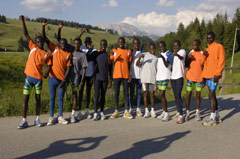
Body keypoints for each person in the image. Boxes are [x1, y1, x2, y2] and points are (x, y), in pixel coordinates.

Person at [17, 15, 52, 129]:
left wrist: (47, 72)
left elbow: (49, 65)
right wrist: (23, 21)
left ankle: (37, 119)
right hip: (29, 78)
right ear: (36, 43)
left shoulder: (46, 53)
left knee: (38, 100)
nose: (40, 43)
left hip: (38, 80)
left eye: (41, 41)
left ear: (43, 42)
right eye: (38, 41)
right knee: (25, 100)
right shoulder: (32, 47)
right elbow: (26, 34)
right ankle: (24, 121)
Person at [42, 20, 72, 126]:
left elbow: (68, 68)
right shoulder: (54, 49)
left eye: (64, 43)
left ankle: (60, 116)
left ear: (66, 44)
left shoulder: (68, 54)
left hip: (62, 80)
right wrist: (43, 27)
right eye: (61, 43)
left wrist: (64, 80)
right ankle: (51, 117)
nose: (63, 45)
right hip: (52, 78)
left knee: (60, 99)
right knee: (52, 98)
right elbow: (45, 38)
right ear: (59, 43)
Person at [57, 23, 88, 123]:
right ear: (73, 44)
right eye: (75, 43)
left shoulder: (82, 55)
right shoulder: (70, 49)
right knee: (61, 94)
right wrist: (82, 32)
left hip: (75, 77)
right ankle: (59, 115)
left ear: (80, 45)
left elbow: (84, 69)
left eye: (78, 44)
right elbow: (60, 40)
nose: (76, 45)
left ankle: (72, 115)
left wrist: (81, 82)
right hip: (66, 76)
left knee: (75, 95)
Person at [202, 32, 225, 127]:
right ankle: (217, 116)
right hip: (207, 75)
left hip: (214, 75)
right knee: (213, 96)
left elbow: (222, 60)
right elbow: (203, 63)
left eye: (210, 38)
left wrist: (218, 73)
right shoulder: (207, 49)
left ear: (214, 38)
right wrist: (204, 55)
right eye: (207, 38)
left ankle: (212, 118)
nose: (209, 39)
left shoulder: (219, 46)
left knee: (210, 95)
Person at [87, 39, 111, 121]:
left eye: (104, 44)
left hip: (105, 78)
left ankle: (101, 112)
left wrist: (111, 79)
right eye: (101, 44)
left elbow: (110, 68)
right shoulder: (96, 53)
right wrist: (90, 50)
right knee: (96, 96)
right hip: (97, 78)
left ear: (106, 45)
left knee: (103, 96)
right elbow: (88, 58)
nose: (103, 46)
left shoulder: (108, 55)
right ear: (100, 45)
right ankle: (95, 113)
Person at [109, 37, 133, 119]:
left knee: (126, 93)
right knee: (116, 93)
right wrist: (111, 52)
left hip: (125, 75)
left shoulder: (128, 52)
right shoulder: (115, 51)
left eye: (122, 42)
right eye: (119, 42)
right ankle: (116, 111)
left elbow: (130, 64)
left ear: (124, 43)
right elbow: (110, 60)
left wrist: (130, 75)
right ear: (117, 43)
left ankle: (126, 112)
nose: (121, 43)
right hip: (116, 75)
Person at [136, 43, 158, 118]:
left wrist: (157, 81)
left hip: (152, 79)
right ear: (149, 49)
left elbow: (157, 70)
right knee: (145, 94)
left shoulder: (156, 58)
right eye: (151, 48)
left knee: (152, 94)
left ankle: (152, 111)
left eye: (153, 48)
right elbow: (137, 64)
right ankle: (146, 111)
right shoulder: (144, 55)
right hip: (145, 78)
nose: (152, 50)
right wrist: (139, 58)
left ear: (155, 49)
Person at [185, 39, 205, 121]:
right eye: (193, 45)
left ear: (199, 45)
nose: (194, 46)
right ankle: (187, 113)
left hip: (199, 78)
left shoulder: (202, 54)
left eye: (196, 45)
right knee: (188, 94)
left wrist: (204, 80)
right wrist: (188, 59)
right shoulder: (190, 53)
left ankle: (197, 113)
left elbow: (204, 67)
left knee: (198, 95)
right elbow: (186, 65)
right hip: (190, 77)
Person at [79, 36, 97, 119]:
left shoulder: (94, 50)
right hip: (81, 73)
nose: (87, 44)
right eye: (86, 43)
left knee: (88, 92)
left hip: (90, 74)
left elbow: (89, 58)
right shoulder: (82, 47)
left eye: (89, 43)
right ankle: (79, 111)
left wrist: (89, 50)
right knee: (80, 91)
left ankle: (87, 110)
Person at [156, 41, 173, 121]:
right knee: (161, 95)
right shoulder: (159, 54)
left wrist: (162, 58)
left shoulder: (169, 53)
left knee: (162, 94)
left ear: (165, 46)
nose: (161, 48)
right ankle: (164, 111)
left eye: (162, 46)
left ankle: (167, 114)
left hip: (166, 76)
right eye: (159, 47)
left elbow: (167, 65)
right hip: (159, 77)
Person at [171, 40, 186, 124]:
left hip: (179, 77)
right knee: (176, 96)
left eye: (177, 45)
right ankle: (178, 111)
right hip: (173, 77)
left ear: (179, 45)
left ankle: (181, 115)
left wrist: (176, 54)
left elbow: (182, 58)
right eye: (174, 45)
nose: (175, 47)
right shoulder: (174, 54)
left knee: (178, 94)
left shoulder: (182, 51)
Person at [129, 38, 144, 117]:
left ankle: (138, 108)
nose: (136, 45)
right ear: (132, 44)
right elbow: (129, 62)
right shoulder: (130, 52)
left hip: (140, 76)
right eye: (135, 44)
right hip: (132, 76)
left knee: (139, 93)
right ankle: (131, 108)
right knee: (131, 93)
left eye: (137, 43)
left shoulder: (142, 52)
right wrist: (133, 53)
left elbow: (141, 64)